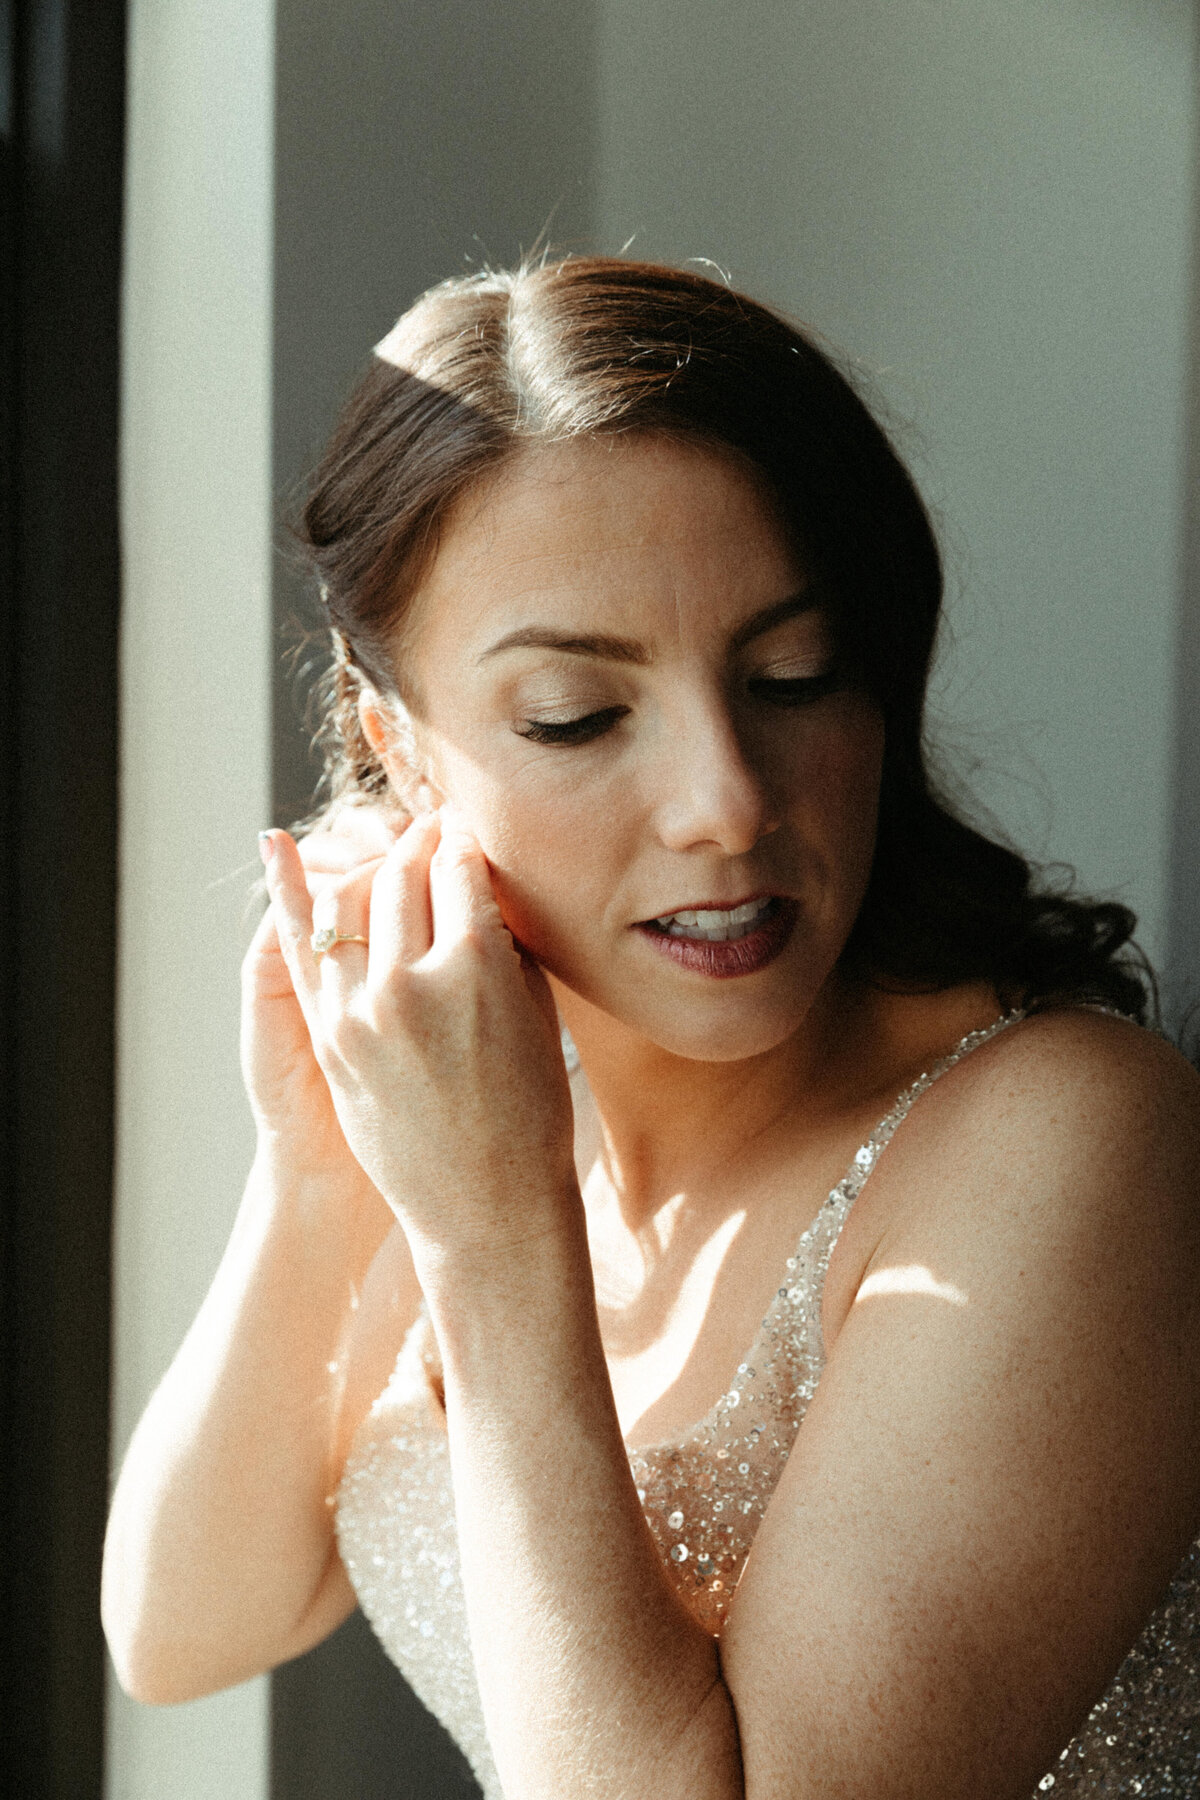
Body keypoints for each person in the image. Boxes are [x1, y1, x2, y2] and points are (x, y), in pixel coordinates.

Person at [102, 257, 1200, 1800]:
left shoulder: (1071, 1141)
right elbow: (185, 1631)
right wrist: (318, 1171)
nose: (728, 802)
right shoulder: (465, 1089)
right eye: (577, 715)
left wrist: (496, 1241)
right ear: (395, 744)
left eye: (794, 678)